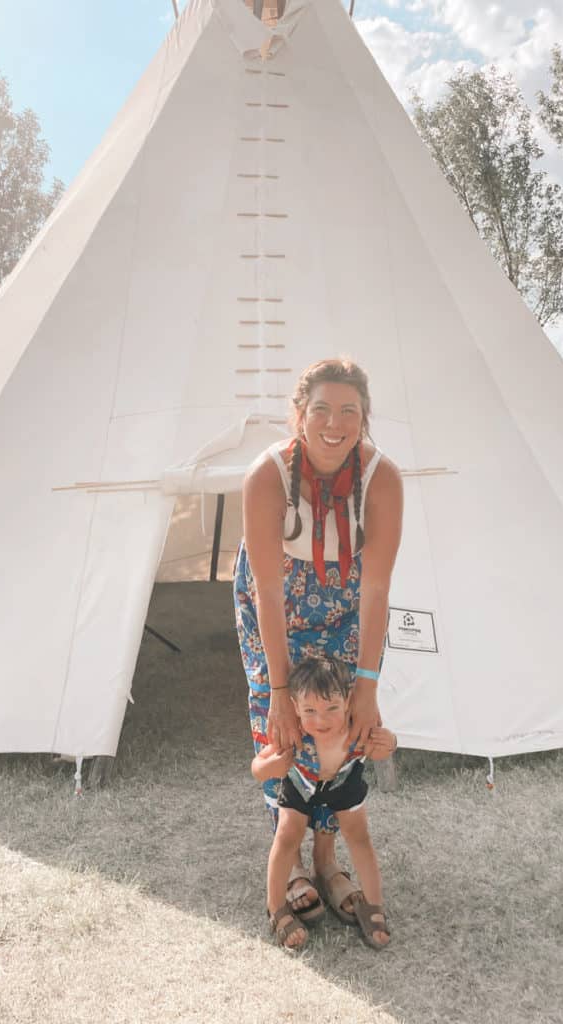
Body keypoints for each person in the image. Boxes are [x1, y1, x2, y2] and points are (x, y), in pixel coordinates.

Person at [233, 358, 403, 925]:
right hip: (276, 604)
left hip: (346, 606)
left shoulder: (383, 479)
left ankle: (328, 858)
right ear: (300, 416)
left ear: (364, 418)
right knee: (284, 723)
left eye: (349, 411)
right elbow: (269, 591)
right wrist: (280, 686)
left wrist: (368, 683)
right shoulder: (267, 475)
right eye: (322, 409)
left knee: (339, 720)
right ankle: (291, 848)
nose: (335, 422)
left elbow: (376, 587)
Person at [252, 656, 396, 950]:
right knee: (287, 836)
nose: (321, 720)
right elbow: (257, 767)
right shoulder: (294, 732)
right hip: (301, 784)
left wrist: (389, 743)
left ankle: (373, 904)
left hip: (344, 781)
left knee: (360, 837)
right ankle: (276, 905)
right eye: (310, 710)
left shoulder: (358, 726)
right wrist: (273, 768)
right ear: (295, 708)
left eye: (332, 708)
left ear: (348, 701)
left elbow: (385, 744)